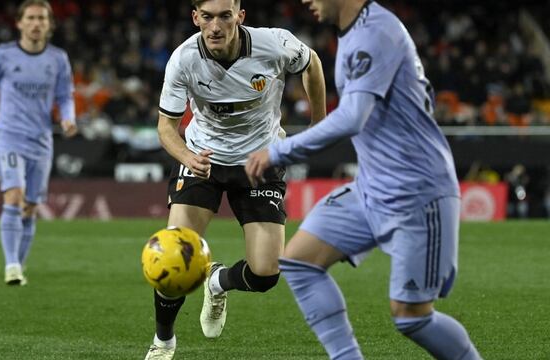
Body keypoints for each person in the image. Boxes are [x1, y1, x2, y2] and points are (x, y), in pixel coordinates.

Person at [245, 0, 482, 359]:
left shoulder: (375, 32)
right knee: (298, 261)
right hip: (372, 187)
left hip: (415, 191)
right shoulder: (358, 32)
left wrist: (278, 151)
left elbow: (353, 117)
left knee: (411, 317)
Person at [145, 0, 327, 358]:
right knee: (171, 257)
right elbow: (165, 127)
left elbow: (312, 63)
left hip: (260, 163)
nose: (215, 26)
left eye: (224, 16)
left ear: (240, 17)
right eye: (207, 17)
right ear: (195, 17)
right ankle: (163, 340)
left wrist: (319, 124)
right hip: (202, 159)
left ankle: (217, 281)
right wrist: (187, 157)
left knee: (265, 274)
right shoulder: (183, 59)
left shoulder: (274, 44)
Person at [0, 0, 76, 286]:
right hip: (9, 136)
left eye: (42, 18)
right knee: (13, 196)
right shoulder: (3, 55)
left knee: (30, 206)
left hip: (41, 140)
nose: (36, 23)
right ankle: (11, 265)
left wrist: (67, 118)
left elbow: (65, 95)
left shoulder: (58, 59)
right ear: (20, 23)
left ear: (49, 25)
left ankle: (18, 268)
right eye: (31, 18)